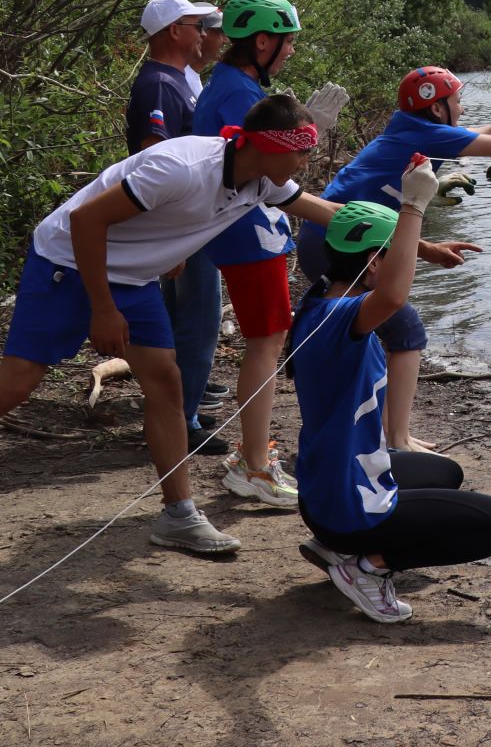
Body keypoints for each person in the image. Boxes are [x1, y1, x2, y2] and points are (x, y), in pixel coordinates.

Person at [1, 99, 327, 553]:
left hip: (132, 277)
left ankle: (179, 515)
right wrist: (103, 309)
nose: (305, 162)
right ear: (269, 147)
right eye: (301, 151)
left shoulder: (260, 181)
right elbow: (86, 218)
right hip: (67, 261)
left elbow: (330, 214)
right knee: (17, 384)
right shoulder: (182, 167)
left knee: (166, 384)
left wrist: (415, 240)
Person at [294, 65, 491, 451]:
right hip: (336, 242)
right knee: (404, 331)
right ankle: (397, 440)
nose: (463, 109)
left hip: (342, 239)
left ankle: (380, 431)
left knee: (375, 332)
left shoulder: (415, 129)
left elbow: (490, 133)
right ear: (437, 110)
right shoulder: (420, 133)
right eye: (457, 101)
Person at [291, 171, 491, 623]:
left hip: (322, 494)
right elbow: (395, 296)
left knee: (443, 473)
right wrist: (414, 205)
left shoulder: (319, 300)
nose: (404, 261)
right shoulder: (343, 318)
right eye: (395, 253)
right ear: (374, 263)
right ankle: (366, 569)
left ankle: (338, 548)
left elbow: (388, 291)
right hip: (346, 504)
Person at [190, 0, 348, 507]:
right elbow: (269, 164)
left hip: (250, 226)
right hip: (248, 231)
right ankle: (254, 464)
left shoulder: (234, 83)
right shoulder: (237, 92)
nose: (292, 52)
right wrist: (310, 136)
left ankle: (252, 454)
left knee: (268, 339)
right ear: (262, 41)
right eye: (288, 43)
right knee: (266, 343)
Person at [128, 0, 225, 449]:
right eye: (196, 25)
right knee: (197, 320)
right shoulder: (159, 85)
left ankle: (182, 410)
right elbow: (153, 157)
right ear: (174, 31)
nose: (203, 33)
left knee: (189, 318)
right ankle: (182, 424)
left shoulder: (179, 78)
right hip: (182, 223)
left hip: (192, 220)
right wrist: (170, 239)